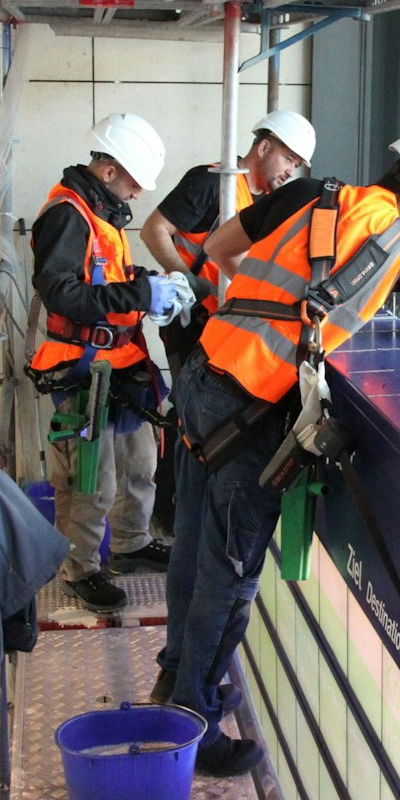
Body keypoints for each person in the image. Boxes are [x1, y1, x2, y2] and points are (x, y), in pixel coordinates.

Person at [154, 131, 400, 777]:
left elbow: (215, 250)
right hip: (252, 407)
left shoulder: (307, 192)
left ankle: (174, 676)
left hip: (201, 372)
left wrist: (276, 307)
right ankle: (193, 721)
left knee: (192, 540)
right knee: (231, 573)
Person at [27, 113, 195, 612]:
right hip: (84, 368)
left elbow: (107, 276)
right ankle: (80, 568)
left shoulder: (102, 214)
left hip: (121, 363)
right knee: (90, 480)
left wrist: (149, 284)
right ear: (108, 171)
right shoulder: (68, 214)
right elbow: (62, 293)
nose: (139, 194)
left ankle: (131, 544)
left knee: (140, 466)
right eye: (135, 183)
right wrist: (143, 291)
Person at [140, 111, 318, 538]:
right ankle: (172, 520)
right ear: (263, 147)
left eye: (297, 165)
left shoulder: (256, 203)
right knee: (189, 422)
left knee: (210, 427)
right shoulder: (212, 182)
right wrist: (191, 283)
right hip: (192, 321)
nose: (290, 171)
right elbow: (153, 231)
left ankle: (186, 521)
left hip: (222, 327)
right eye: (288, 159)